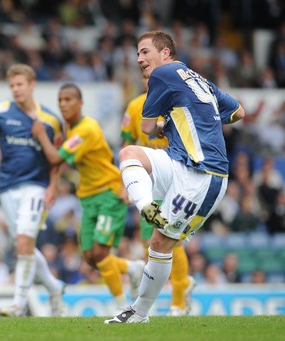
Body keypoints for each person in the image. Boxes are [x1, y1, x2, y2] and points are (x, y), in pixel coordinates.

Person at [105, 31, 245, 323]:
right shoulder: (198, 79)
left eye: (145, 52)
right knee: (130, 154)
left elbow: (145, 127)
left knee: (160, 244)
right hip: (180, 161)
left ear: (165, 52)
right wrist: (199, 116)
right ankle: (147, 207)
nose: (139, 59)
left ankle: (139, 313)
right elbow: (238, 111)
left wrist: (165, 123)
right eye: (138, 53)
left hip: (204, 175)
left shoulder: (164, 74)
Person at [31, 83, 145, 309]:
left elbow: (55, 159)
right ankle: (133, 268)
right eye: (60, 100)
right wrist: (53, 186)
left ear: (80, 103)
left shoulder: (86, 129)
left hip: (108, 195)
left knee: (101, 254)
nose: (63, 104)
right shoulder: (71, 129)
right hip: (88, 198)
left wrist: (41, 135)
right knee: (90, 257)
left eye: (69, 99)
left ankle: (123, 307)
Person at [0, 63, 65, 317]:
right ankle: (54, 287)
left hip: (36, 186)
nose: (16, 90)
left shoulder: (50, 119)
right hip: (7, 187)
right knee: (24, 246)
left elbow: (57, 158)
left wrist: (53, 186)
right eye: (12, 86)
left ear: (31, 85)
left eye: (20, 84)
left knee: (23, 241)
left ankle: (18, 303)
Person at [120, 72, 196, 316]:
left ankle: (179, 300)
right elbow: (126, 143)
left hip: (174, 176)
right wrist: (124, 182)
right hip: (147, 180)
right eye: (146, 77)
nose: (149, 81)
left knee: (170, 235)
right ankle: (183, 283)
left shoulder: (176, 103)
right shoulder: (133, 107)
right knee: (149, 242)